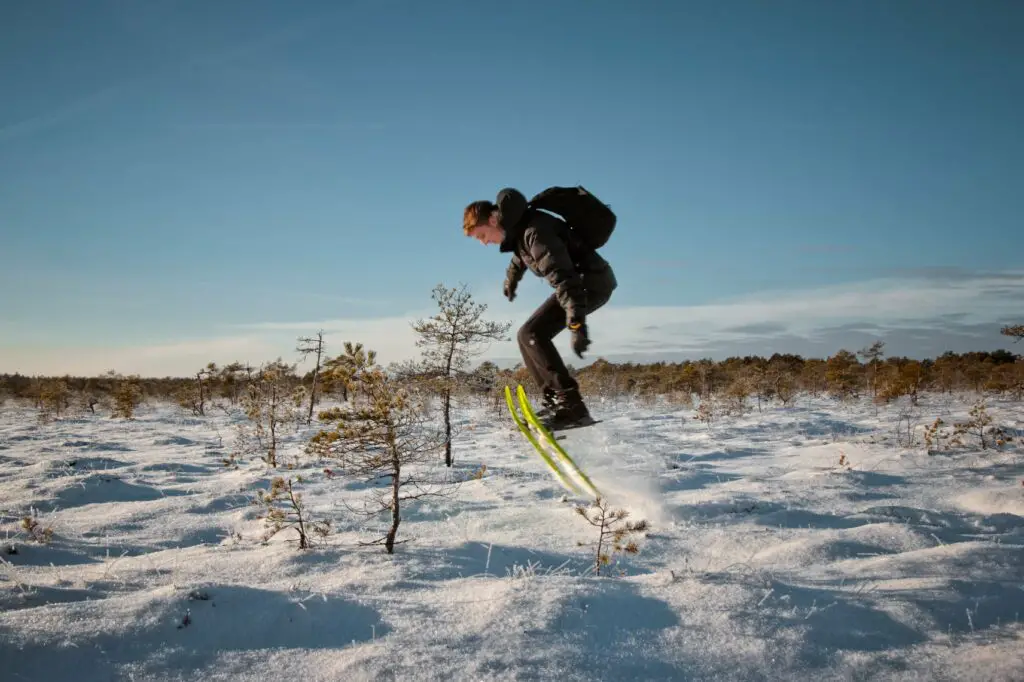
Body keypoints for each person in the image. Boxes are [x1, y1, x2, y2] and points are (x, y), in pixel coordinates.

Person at [463, 187, 617, 430]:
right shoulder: (522, 231)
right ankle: (558, 402)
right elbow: (519, 258)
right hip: (583, 282)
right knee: (526, 334)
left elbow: (564, 278)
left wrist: (576, 324)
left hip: (589, 283)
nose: (484, 243)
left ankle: (571, 407)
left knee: (533, 334)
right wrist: (511, 279)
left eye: (481, 235)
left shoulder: (535, 232)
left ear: (493, 219)